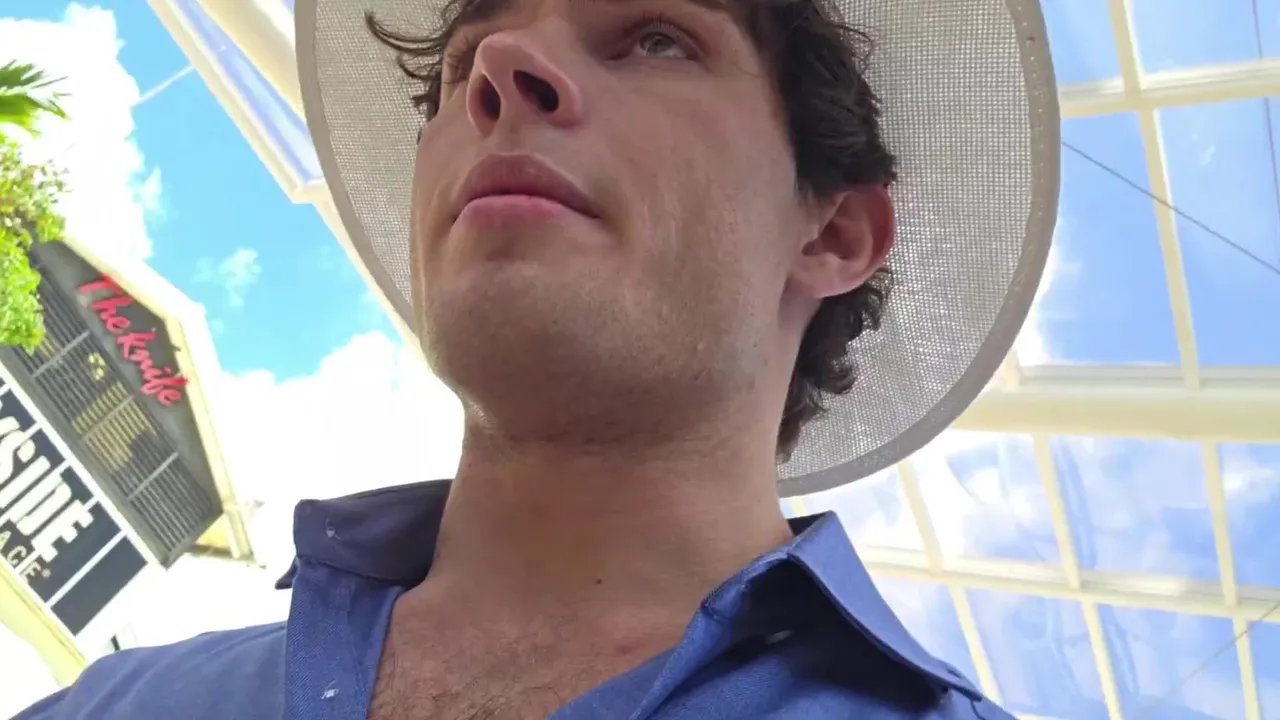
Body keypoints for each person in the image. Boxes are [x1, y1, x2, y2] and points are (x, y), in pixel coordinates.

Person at [16, 0, 1058, 716]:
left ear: (831, 234)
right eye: (463, 60)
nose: (499, 69)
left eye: (656, 38)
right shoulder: (117, 702)